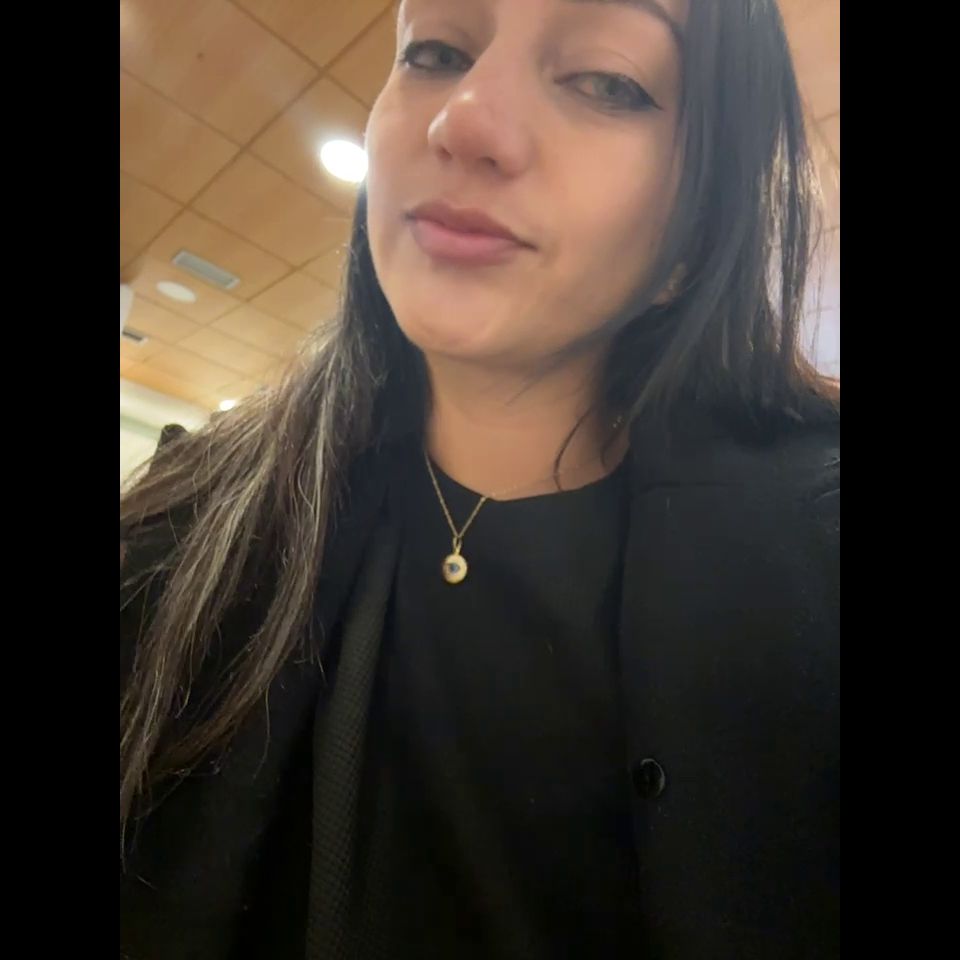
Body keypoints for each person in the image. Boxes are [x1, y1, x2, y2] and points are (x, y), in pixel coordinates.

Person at [120, 1, 840, 957]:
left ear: (707, 211)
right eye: (435, 51)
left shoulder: (815, 574)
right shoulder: (172, 538)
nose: (463, 119)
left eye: (608, 79)